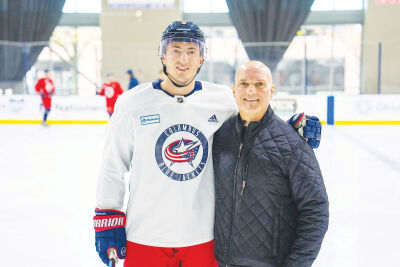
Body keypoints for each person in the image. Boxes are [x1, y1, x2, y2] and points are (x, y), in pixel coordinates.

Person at [93, 21, 322, 267]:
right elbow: (113, 165)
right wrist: (109, 214)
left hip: (203, 240)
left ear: (201, 58)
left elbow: (254, 118)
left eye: (192, 51)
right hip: (145, 236)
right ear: (163, 55)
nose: (184, 59)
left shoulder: (221, 100)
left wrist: (289, 127)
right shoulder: (132, 103)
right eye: (176, 50)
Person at [212, 61, 329, 267]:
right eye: (244, 83)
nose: (251, 90)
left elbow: (315, 210)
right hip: (222, 261)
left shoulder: (292, 145)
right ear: (234, 89)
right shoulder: (220, 136)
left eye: (259, 84)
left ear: (272, 90)